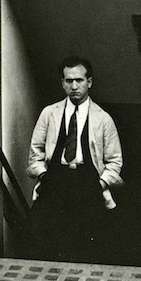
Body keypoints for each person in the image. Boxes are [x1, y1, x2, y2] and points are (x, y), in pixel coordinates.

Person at [25, 56, 123, 263]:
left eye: (79, 80)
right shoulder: (49, 114)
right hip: (55, 181)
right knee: (44, 237)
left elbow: (115, 162)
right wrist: (45, 175)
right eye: (69, 81)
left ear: (89, 82)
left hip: (88, 181)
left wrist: (100, 184)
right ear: (62, 83)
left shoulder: (103, 118)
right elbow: (35, 154)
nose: (74, 86)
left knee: (88, 243)